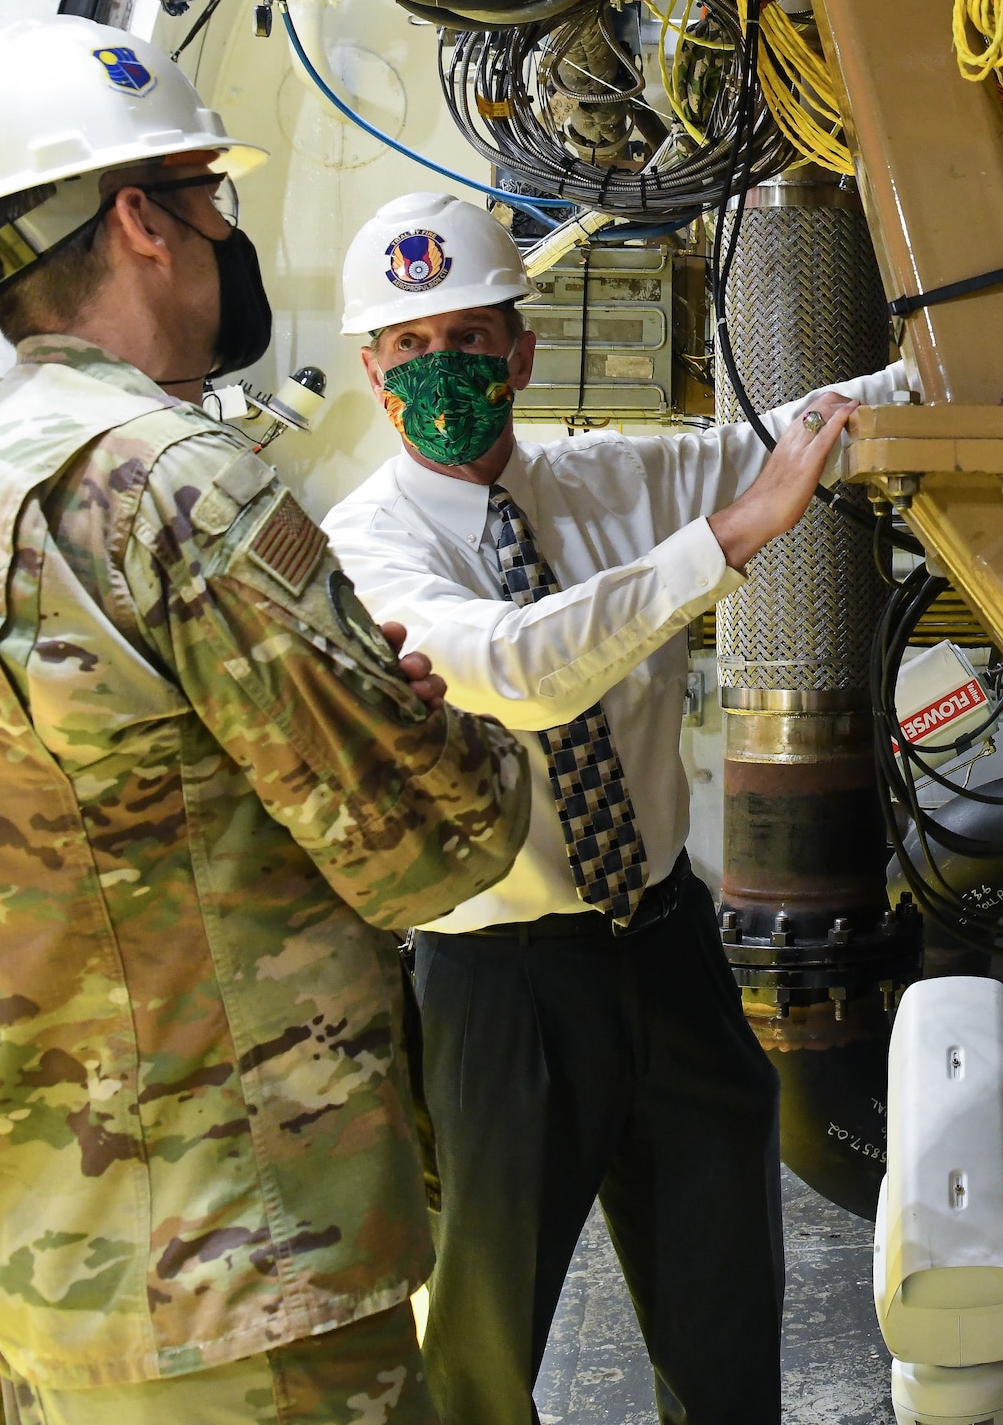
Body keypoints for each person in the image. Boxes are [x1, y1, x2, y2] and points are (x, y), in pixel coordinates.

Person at [0, 21, 534, 1425]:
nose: (225, 236)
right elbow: (439, 841)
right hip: (250, 1282)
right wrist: (434, 730)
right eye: (210, 198)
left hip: (67, 1277)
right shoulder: (173, 483)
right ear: (140, 220)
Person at [322, 190, 910, 1425]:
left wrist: (954, 365)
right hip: (497, 981)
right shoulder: (367, 547)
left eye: (472, 338)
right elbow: (521, 671)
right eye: (411, 348)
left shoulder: (616, 482)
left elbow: (810, 427)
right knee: (486, 1334)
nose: (445, 372)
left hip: (665, 941)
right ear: (374, 374)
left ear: (523, 351)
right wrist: (736, 535)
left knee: (724, 1300)